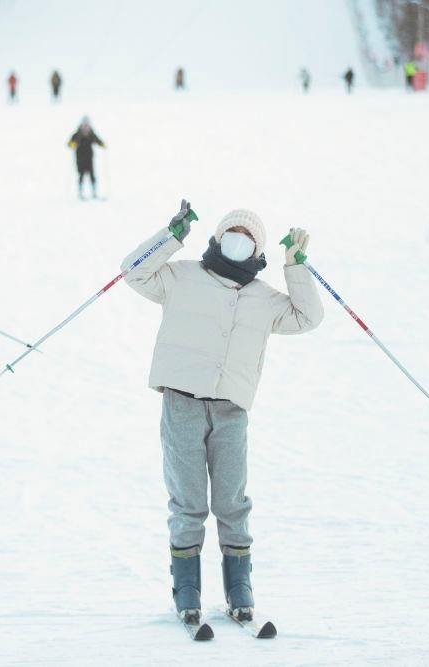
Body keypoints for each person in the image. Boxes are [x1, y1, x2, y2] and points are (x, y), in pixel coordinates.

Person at [121, 202, 323, 625]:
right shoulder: (181, 276)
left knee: (232, 502)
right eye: (231, 231)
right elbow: (134, 270)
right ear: (216, 237)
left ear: (256, 249)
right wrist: (171, 236)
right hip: (182, 403)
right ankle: (187, 587)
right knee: (188, 502)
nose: (237, 238)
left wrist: (295, 268)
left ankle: (239, 586)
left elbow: (308, 316)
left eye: (247, 235)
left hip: (231, 409)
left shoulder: (265, 299)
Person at [67, 117, 106, 199]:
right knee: (81, 175)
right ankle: (80, 192)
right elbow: (69, 144)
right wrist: (72, 144)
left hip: (89, 158)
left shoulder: (91, 134)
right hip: (80, 159)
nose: (85, 128)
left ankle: (94, 192)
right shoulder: (77, 135)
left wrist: (102, 144)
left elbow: (97, 140)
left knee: (92, 175)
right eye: (84, 125)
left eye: (87, 125)